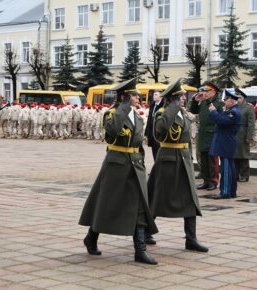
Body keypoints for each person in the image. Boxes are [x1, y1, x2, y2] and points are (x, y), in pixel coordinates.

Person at [78, 78, 159, 265]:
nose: (138, 97)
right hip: (116, 165)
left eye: (138, 95)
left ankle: (140, 250)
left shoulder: (137, 116)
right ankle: (91, 237)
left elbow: (138, 143)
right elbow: (113, 130)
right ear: (124, 97)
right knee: (106, 204)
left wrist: (140, 162)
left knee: (139, 206)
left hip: (134, 166)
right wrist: (123, 107)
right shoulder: (112, 114)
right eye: (134, 95)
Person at [147, 79, 207, 252]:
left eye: (183, 96)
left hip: (183, 159)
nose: (183, 99)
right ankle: (144, 231)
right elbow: (161, 129)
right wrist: (173, 106)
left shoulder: (181, 112)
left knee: (190, 198)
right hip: (168, 159)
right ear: (173, 98)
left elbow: (189, 129)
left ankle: (191, 238)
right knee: (157, 198)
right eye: (180, 96)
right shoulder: (163, 112)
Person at [188, 82, 222, 191]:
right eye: (204, 91)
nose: (205, 93)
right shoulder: (203, 102)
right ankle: (206, 181)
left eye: (207, 91)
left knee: (212, 160)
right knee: (203, 158)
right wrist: (195, 100)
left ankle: (213, 181)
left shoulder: (218, 103)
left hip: (213, 134)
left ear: (213, 92)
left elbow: (220, 119)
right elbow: (193, 110)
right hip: (203, 133)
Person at [208, 89, 242, 199]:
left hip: (226, 144)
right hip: (226, 143)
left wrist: (213, 111)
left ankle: (226, 192)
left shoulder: (233, 112)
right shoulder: (231, 110)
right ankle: (231, 191)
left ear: (232, 101)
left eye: (226, 99)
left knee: (226, 169)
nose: (224, 101)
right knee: (229, 168)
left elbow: (222, 121)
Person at [234, 89, 256, 182]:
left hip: (243, 134)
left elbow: (251, 124)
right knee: (235, 155)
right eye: (236, 97)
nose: (237, 99)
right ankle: (235, 174)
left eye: (239, 97)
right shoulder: (234, 107)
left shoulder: (248, 108)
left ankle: (244, 175)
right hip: (234, 134)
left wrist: (249, 137)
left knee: (244, 156)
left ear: (244, 98)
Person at [145, 90, 164, 160]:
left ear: (161, 96)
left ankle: (158, 168)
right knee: (154, 151)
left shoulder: (163, 106)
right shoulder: (152, 105)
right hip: (151, 133)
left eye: (156, 94)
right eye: (153, 95)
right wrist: (147, 132)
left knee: (159, 152)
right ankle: (155, 168)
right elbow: (149, 120)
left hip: (158, 134)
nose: (154, 96)